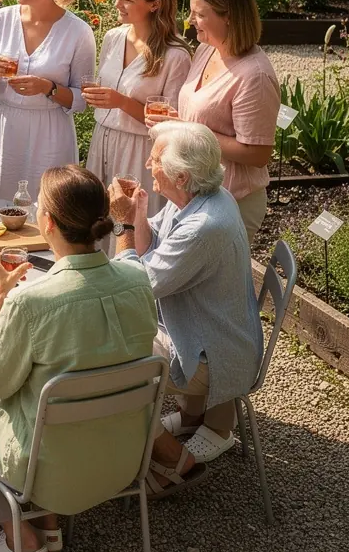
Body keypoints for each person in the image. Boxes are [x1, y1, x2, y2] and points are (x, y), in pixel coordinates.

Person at [0, 166, 157, 552]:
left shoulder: (31, 304)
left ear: (46, 222)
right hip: (125, 462)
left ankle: (19, 538)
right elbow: (128, 262)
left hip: (45, 472)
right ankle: (47, 527)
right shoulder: (138, 279)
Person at [109, 121, 264, 489]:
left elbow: (136, 286)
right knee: (112, 340)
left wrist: (122, 225)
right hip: (213, 333)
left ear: (181, 177)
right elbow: (153, 250)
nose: (148, 164)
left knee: (110, 356)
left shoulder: (204, 226)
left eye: (157, 159)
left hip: (213, 355)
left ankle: (171, 461)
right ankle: (181, 423)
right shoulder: (208, 196)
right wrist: (138, 214)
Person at [0, 0, 95, 202]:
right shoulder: (1, 20)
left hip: (50, 135)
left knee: (48, 210)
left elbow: (82, 100)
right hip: (3, 129)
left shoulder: (78, 32)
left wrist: (47, 88)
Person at [84, 0, 192, 250]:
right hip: (101, 140)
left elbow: (169, 125)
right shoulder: (113, 37)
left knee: (128, 227)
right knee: (96, 221)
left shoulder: (175, 55)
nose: (117, 3)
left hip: (138, 149)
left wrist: (121, 102)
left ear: (155, 4)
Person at [171, 0, 278, 244]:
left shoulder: (255, 76)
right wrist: (178, 124)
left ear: (228, 16)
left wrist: (190, 131)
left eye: (200, 14)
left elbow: (258, 153)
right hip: (199, 193)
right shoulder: (208, 50)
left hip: (233, 202)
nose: (190, 20)